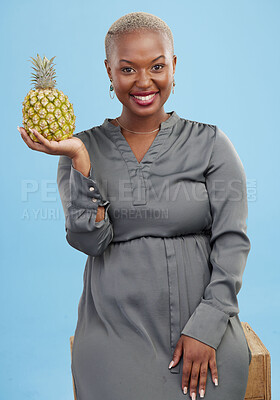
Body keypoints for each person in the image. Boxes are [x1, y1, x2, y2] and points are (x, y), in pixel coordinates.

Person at [18, 11, 252, 400]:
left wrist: (207, 326)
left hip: (202, 327)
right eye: (128, 69)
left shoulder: (211, 144)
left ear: (173, 67)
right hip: (114, 331)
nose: (144, 81)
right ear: (109, 71)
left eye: (157, 66)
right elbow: (88, 240)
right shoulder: (82, 148)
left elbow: (233, 241)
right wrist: (79, 160)